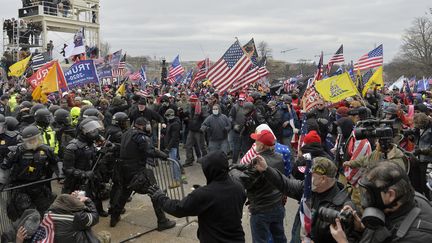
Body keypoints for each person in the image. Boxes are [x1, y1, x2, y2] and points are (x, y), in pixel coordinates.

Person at [148, 151, 247, 243]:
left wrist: (160, 197)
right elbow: (223, 201)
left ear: (209, 170)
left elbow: (178, 208)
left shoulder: (204, 194)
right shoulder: (238, 187)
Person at [253, 155, 356, 243]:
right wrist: (266, 169)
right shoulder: (308, 188)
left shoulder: (343, 206)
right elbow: (286, 184)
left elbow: (346, 239)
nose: (306, 178)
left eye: (310, 175)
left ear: (323, 179)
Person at [330, 161, 432, 243]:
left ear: (391, 195)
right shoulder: (411, 199)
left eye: (371, 193)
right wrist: (362, 229)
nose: (366, 198)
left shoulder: (414, 238)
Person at [109, 117, 176, 230]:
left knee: (124, 193)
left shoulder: (127, 133)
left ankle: (114, 218)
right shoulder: (140, 136)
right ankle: (162, 221)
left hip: (124, 170)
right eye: (146, 125)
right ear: (141, 125)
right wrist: (162, 155)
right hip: (137, 171)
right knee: (155, 192)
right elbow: (149, 150)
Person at [1, 125, 58, 220]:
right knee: (26, 213)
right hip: (21, 187)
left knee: (44, 210)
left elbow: (56, 162)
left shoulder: (46, 150)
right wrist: (2, 182)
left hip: (39, 185)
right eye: (31, 140)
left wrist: (60, 173)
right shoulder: (17, 151)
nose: (34, 142)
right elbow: (4, 166)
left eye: (36, 139)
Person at [62, 117, 108, 217]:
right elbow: (67, 169)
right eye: (90, 130)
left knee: (96, 195)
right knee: (77, 202)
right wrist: (83, 174)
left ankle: (98, 210)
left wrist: (100, 153)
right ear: (82, 131)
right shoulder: (72, 147)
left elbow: (92, 160)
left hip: (91, 176)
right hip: (77, 181)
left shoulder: (90, 144)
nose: (93, 132)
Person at [163, 108, 183, 188]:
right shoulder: (171, 122)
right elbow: (169, 133)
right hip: (171, 145)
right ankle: (181, 170)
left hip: (173, 146)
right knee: (175, 160)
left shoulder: (175, 124)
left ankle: (177, 180)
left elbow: (174, 137)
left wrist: (168, 148)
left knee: (173, 163)